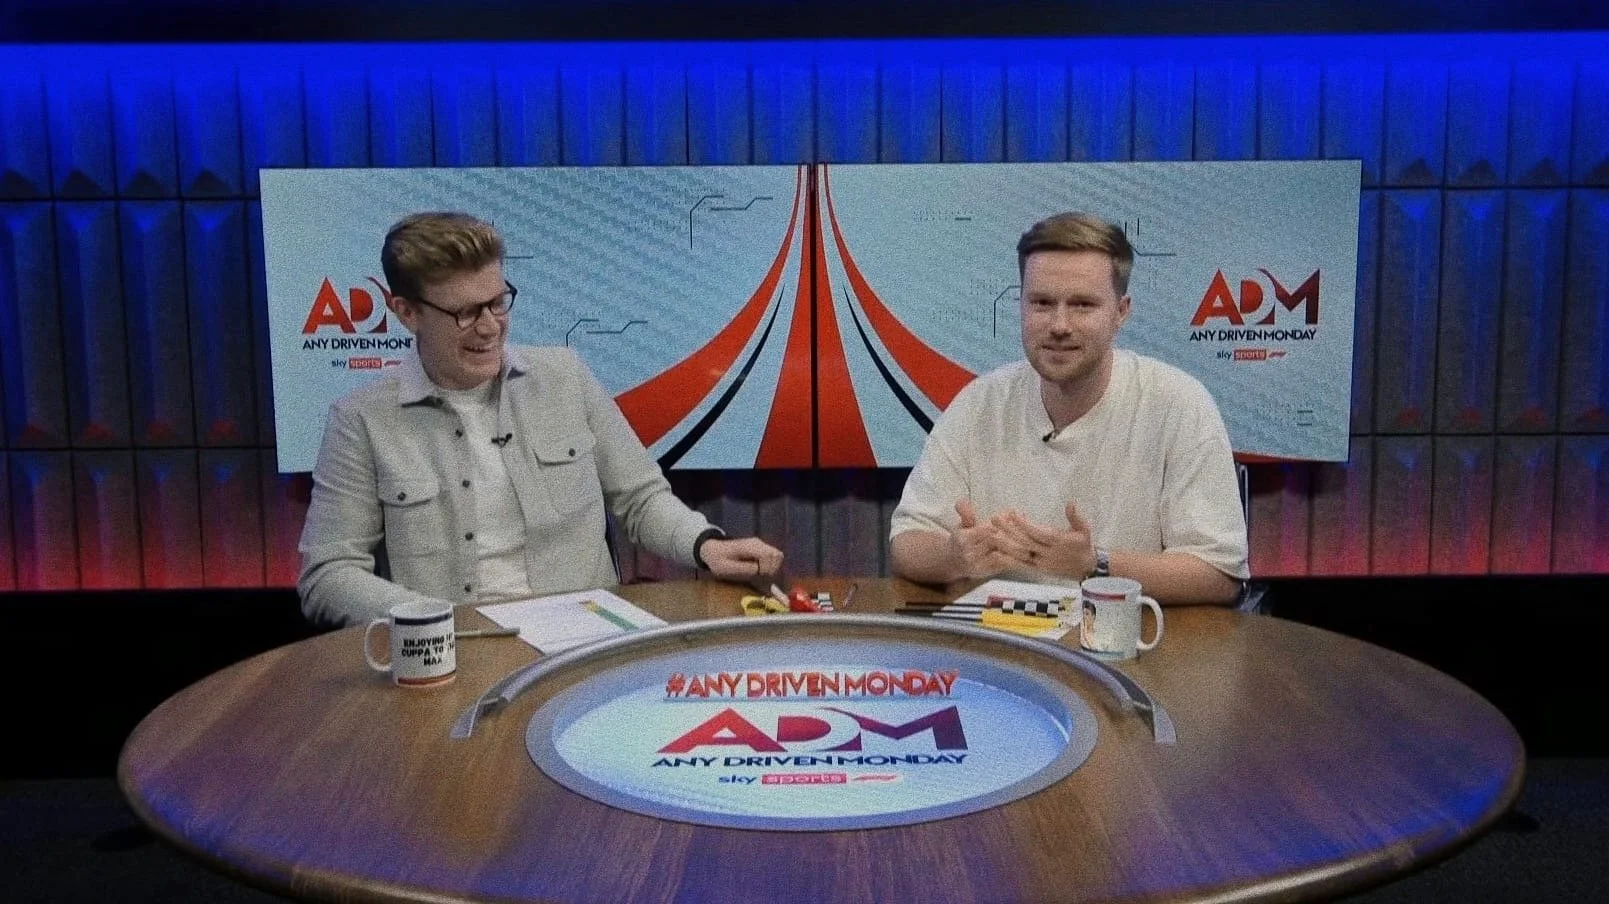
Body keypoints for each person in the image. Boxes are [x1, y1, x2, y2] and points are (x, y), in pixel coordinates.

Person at [298, 212, 783, 626]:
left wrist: (706, 546)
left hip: (583, 639)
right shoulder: (361, 421)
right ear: (406, 312)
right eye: (466, 313)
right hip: (454, 652)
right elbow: (329, 573)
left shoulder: (565, 376)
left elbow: (641, 500)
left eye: (497, 302)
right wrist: (427, 620)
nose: (490, 327)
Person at [889, 212, 1248, 605]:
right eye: (1042, 303)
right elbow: (907, 542)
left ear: (1121, 311)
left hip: (1131, 649)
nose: (1059, 325)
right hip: (1002, 642)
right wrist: (954, 557)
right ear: (1021, 305)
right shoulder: (981, 402)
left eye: (1082, 305)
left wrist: (1094, 566)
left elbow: (1219, 575)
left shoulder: (1179, 404)